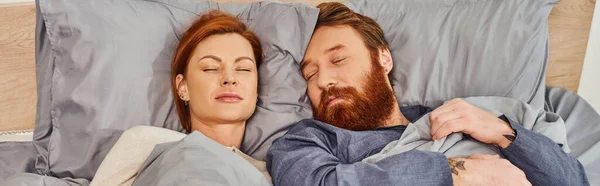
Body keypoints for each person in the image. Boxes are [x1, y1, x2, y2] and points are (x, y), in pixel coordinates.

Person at [266, 2, 589, 186]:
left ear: (383, 58)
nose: (323, 80)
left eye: (338, 60)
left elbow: (573, 182)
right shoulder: (309, 139)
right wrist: (453, 172)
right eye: (310, 73)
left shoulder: (471, 113)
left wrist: (504, 134)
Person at [90, 10, 270, 185]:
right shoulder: (146, 142)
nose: (229, 79)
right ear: (183, 87)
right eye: (210, 68)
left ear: (256, 90)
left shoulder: (269, 174)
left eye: (243, 69)